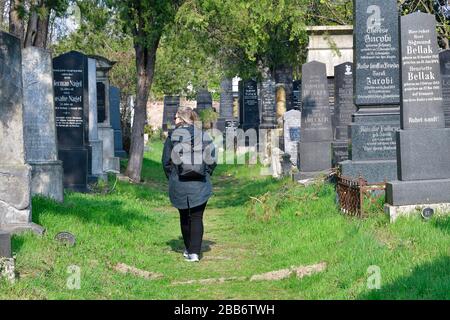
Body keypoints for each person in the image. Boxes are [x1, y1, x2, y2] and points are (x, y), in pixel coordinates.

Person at [162, 106, 217, 262]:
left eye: (176, 118)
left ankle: (188, 249)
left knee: (184, 217)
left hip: (178, 182)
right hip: (200, 183)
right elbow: (212, 159)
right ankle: (194, 253)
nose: (174, 121)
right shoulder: (204, 136)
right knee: (197, 217)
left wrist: (172, 176)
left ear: (182, 119)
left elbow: (166, 161)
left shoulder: (172, 137)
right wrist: (206, 172)